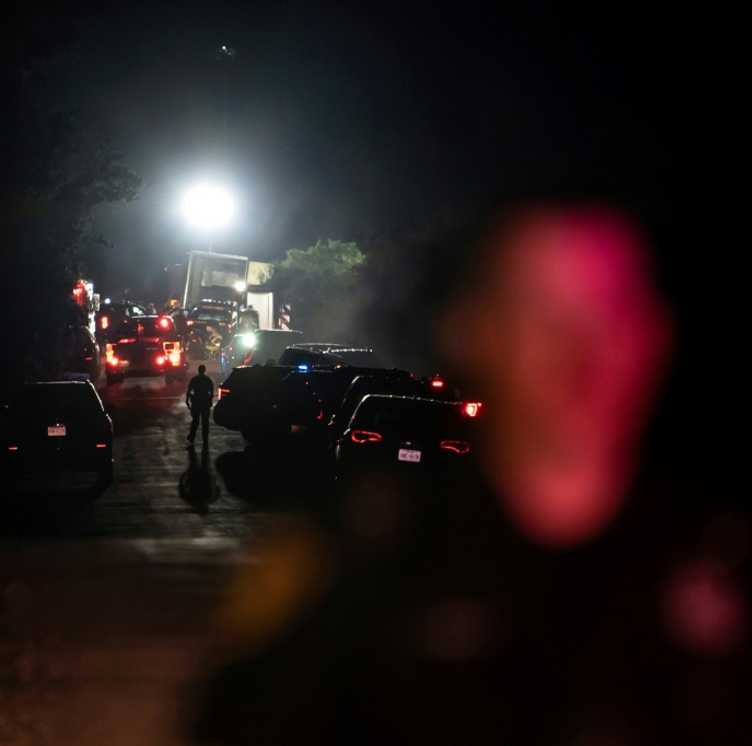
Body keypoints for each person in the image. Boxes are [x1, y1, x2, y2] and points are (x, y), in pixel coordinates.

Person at [192, 204, 748, 745]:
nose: (583, 351)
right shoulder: (347, 574)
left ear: (656, 336)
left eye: (614, 312)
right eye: (545, 318)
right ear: (473, 334)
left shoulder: (719, 567)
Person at [186, 364, 214, 446]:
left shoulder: (194, 379)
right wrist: (209, 400)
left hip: (196, 403)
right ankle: (205, 439)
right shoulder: (208, 380)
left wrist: (187, 400)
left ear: (198, 370)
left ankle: (191, 437)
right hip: (205, 403)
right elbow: (211, 392)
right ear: (204, 370)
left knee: (195, 421)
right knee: (205, 422)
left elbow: (189, 390)